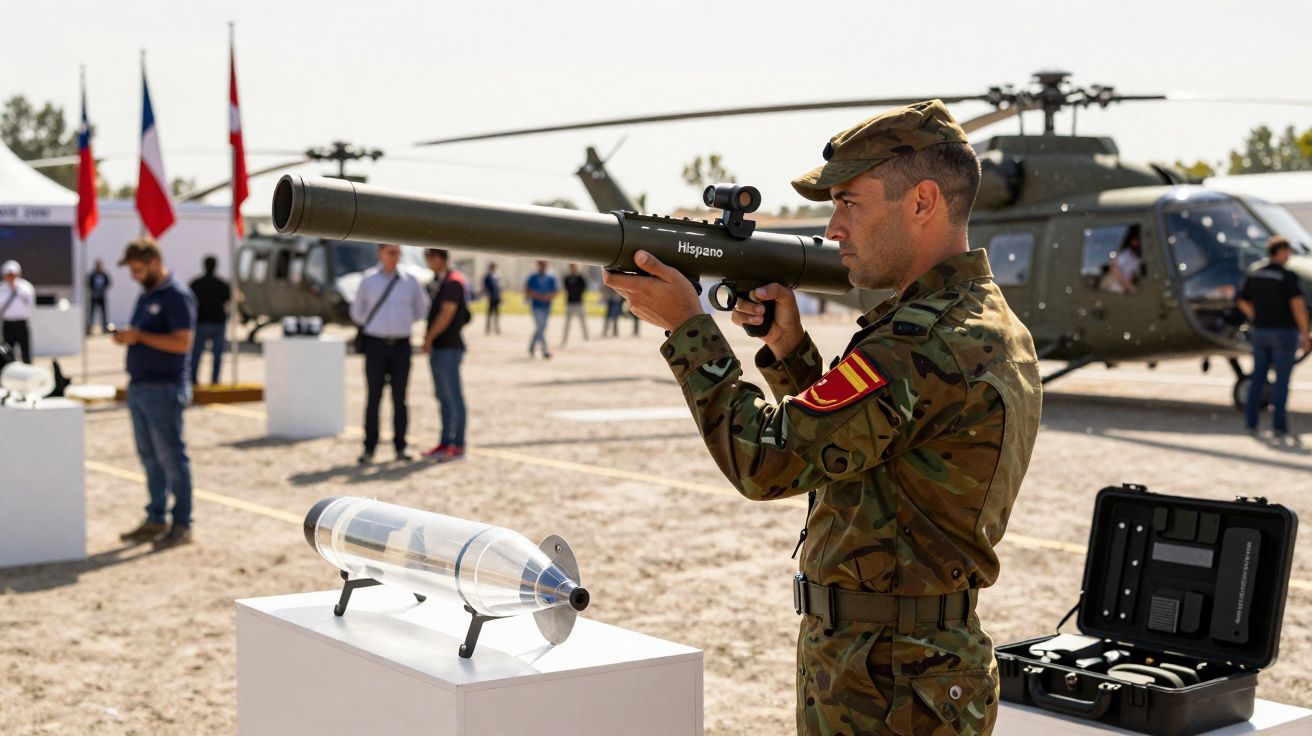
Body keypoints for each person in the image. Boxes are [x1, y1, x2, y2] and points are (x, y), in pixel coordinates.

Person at [605, 100, 1043, 735]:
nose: (833, 229)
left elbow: (766, 461)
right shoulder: (965, 319)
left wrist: (688, 328)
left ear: (922, 201)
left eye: (849, 203)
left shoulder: (923, 342)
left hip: (893, 676)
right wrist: (790, 354)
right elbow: (864, 456)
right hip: (894, 664)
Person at [113, 240, 198, 550]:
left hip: (164, 388)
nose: (134, 275)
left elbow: (182, 343)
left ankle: (182, 523)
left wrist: (140, 337)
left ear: (153, 261)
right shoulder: (148, 293)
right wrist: (129, 337)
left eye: (137, 269)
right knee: (150, 458)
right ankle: (156, 518)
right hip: (140, 386)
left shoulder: (176, 296)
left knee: (172, 458)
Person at [350, 243, 429, 464]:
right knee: (373, 398)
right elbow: (357, 312)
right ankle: (369, 447)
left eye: (397, 252)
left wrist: (397, 324)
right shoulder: (368, 281)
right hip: (375, 345)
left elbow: (420, 310)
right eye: (390, 252)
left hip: (402, 346)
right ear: (380, 253)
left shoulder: (410, 282)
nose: (394, 256)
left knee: (400, 399)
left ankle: (400, 447)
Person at [1238, 235, 1310, 440]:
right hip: (1283, 333)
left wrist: (1257, 316)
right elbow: (1298, 305)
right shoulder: (1286, 276)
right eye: (1287, 251)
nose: (1289, 256)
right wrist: (1305, 334)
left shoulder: (1256, 274)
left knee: (1257, 378)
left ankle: (1251, 423)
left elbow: (1242, 301)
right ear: (1279, 252)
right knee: (1281, 381)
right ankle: (1279, 426)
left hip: (1260, 332)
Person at [421, 248, 470, 462]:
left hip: (448, 347)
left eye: (431, 257)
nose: (428, 261)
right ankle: (445, 441)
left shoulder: (453, 282)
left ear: (440, 258)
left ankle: (457, 444)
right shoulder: (440, 281)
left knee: (453, 397)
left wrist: (429, 337)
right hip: (441, 347)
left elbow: (447, 312)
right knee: (442, 396)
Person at [188, 255, 232, 386]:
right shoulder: (222, 284)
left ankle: (193, 380)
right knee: (217, 355)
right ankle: (215, 381)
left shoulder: (196, 284)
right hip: (217, 323)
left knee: (196, 354)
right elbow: (228, 300)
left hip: (201, 322)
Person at [0, 260, 35, 363]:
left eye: (13, 275)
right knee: (7, 351)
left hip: (21, 323)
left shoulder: (25, 287)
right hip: (8, 323)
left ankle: (28, 370)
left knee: (25, 350)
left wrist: (16, 289)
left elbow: (29, 303)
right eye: (8, 275)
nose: (10, 277)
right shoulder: (1, 288)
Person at [525, 260, 558, 359]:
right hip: (536, 306)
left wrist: (548, 296)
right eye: (541, 264)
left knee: (541, 328)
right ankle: (545, 350)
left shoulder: (551, 277)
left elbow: (556, 291)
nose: (542, 266)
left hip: (546, 306)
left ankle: (531, 347)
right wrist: (537, 296)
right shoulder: (532, 277)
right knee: (540, 327)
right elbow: (527, 290)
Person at [560, 263, 589, 346]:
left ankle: (586, 339)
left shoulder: (580, 277)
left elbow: (584, 288)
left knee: (583, 322)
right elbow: (566, 288)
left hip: (579, 303)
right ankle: (564, 340)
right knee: (567, 323)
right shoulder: (567, 278)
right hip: (570, 303)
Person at [87, 259, 111, 335]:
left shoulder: (104, 274)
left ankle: (104, 329)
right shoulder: (92, 274)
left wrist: (102, 290)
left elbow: (108, 283)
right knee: (91, 314)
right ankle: (89, 329)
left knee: (104, 314)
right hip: (93, 297)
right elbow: (88, 283)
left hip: (102, 297)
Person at [482, 262, 503, 335]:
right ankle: (487, 328)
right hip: (491, 297)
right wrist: (486, 296)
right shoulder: (487, 276)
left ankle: (497, 328)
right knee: (489, 313)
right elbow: (485, 287)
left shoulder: (497, 276)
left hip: (496, 297)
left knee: (497, 314)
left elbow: (499, 287)